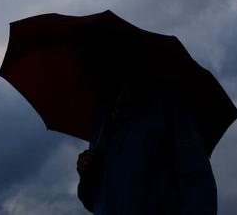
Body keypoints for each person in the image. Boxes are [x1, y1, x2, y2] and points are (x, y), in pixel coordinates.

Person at [76, 78, 217, 214]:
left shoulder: (166, 107)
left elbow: (198, 188)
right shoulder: (102, 121)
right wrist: (88, 176)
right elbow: (96, 201)